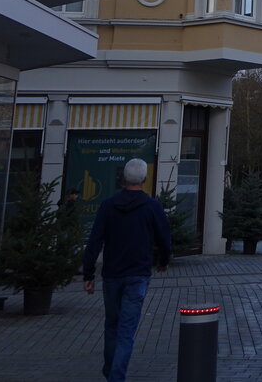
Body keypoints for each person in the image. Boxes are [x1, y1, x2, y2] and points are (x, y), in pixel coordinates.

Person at [82, 158, 172, 382]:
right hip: (138, 274)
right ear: (144, 179)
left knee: (112, 324)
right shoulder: (152, 206)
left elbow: (95, 241)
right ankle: (116, 376)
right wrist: (163, 260)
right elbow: (164, 238)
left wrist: (88, 273)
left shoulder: (107, 206)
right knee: (127, 329)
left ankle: (111, 369)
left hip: (112, 273)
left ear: (123, 178)